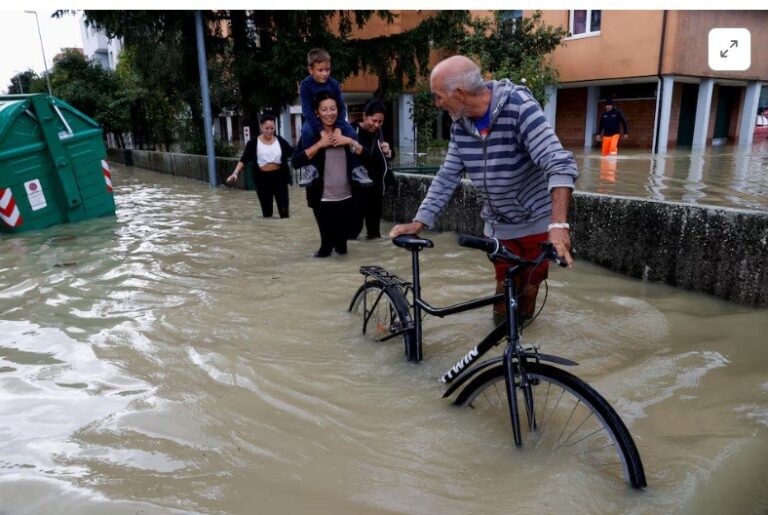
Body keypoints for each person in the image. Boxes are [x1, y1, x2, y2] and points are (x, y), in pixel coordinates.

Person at [389, 55, 578, 324]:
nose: (437, 103)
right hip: (498, 224)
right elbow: (447, 176)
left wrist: (559, 225)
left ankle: (523, 335)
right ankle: (501, 335)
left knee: (530, 288)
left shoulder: (520, 108)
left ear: (459, 93)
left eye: (438, 96)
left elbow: (559, 163)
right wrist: (420, 221)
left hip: (535, 221)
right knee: (504, 290)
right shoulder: (460, 125)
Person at [292, 91, 371, 258]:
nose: (329, 113)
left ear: (338, 110)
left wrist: (350, 142)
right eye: (324, 109)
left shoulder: (347, 132)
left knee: (342, 247)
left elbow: (368, 158)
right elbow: (296, 162)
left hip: (347, 198)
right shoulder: (311, 134)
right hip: (321, 200)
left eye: (333, 109)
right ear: (317, 112)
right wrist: (319, 145)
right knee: (325, 248)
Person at [226, 114, 294, 218]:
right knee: (267, 213)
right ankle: (268, 228)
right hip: (262, 180)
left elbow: (292, 152)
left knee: (284, 212)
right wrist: (235, 173)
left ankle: (285, 228)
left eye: (272, 128)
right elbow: (244, 159)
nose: (270, 131)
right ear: (261, 127)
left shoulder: (280, 140)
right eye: (267, 128)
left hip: (280, 178)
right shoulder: (253, 143)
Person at [350, 98, 396, 240]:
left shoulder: (381, 132)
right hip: (356, 189)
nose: (377, 125)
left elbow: (390, 156)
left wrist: (389, 151)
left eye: (380, 122)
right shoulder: (352, 130)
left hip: (376, 189)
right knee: (353, 231)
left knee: (374, 233)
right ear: (364, 116)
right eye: (374, 120)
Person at [299, 48, 357, 150]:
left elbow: (342, 108)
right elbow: (307, 111)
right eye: (320, 70)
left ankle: (354, 159)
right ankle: (309, 159)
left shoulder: (333, 84)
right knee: (307, 131)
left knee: (351, 132)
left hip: (334, 119)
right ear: (311, 70)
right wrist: (321, 131)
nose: (325, 73)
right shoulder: (305, 85)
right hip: (314, 120)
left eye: (327, 69)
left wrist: (338, 128)